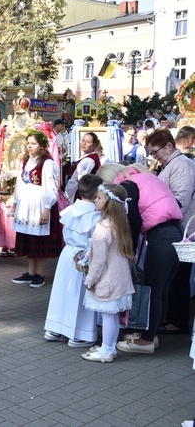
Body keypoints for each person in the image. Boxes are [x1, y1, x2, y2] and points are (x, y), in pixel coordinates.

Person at [96, 163, 182, 355]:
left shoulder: (128, 185)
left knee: (154, 291)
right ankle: (151, 334)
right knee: (162, 289)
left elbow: (133, 220)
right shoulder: (145, 177)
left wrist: (129, 249)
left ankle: (147, 340)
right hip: (175, 232)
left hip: (161, 236)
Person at [44, 174, 103, 347]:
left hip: (68, 253)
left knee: (63, 291)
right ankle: (80, 333)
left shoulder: (71, 210)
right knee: (80, 293)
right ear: (96, 194)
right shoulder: (95, 214)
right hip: (84, 256)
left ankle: (56, 327)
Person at [146, 129, 195, 337]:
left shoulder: (181, 164)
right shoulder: (169, 163)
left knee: (178, 278)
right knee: (173, 279)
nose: (153, 156)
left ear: (168, 146)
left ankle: (178, 320)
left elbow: (180, 201)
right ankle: (171, 316)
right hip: (175, 228)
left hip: (182, 230)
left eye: (155, 151)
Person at [80, 183, 135, 363]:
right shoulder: (119, 223)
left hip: (108, 279)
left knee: (108, 316)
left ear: (110, 202)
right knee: (112, 316)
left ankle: (107, 351)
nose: (95, 200)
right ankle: (109, 347)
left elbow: (98, 260)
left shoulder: (104, 227)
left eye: (99, 197)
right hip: (118, 278)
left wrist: (90, 279)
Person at [11, 130, 63, 288]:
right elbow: (20, 183)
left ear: (42, 146)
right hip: (26, 205)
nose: (29, 146)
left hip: (40, 205)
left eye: (33, 143)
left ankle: (40, 274)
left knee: (40, 240)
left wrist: (46, 208)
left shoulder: (47, 163)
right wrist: (15, 201)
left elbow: (52, 188)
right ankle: (31, 272)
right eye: (28, 143)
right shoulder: (26, 161)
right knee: (29, 239)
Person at [64, 132, 101, 203]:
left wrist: (66, 195)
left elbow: (79, 180)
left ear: (94, 145)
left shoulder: (88, 160)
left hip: (78, 193)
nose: (84, 143)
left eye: (88, 142)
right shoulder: (89, 156)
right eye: (83, 140)